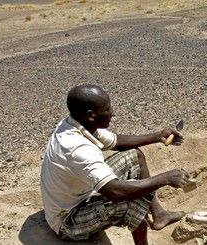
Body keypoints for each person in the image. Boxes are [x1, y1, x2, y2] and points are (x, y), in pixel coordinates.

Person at [40, 84, 189, 244]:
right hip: (68, 221)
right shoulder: (77, 148)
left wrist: (158, 136)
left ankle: (159, 214)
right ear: (90, 115)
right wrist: (165, 179)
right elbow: (115, 192)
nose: (113, 113)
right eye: (107, 109)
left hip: (80, 194)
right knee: (132, 198)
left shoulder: (78, 124)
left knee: (135, 156)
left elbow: (116, 141)